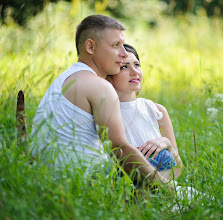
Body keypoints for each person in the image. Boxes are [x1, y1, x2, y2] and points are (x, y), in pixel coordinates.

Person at [31, 15, 168, 186]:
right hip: (83, 181)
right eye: (115, 45)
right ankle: (160, 199)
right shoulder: (99, 86)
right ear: (90, 46)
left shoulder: (63, 79)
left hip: (44, 178)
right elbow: (119, 149)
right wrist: (168, 190)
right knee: (162, 156)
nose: (124, 53)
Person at [106, 44, 183, 181]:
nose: (134, 71)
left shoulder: (156, 111)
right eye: (124, 66)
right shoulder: (104, 112)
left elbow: (178, 169)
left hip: (164, 188)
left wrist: (167, 144)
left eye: (137, 65)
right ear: (109, 76)